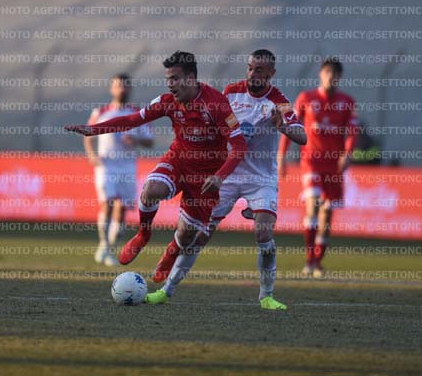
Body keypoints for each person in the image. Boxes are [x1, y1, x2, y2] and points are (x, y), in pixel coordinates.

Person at [66, 51, 247, 305]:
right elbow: (131, 120)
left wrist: (219, 177)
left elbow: (239, 146)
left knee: (186, 236)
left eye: (175, 79)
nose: (170, 84)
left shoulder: (216, 104)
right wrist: (94, 130)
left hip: (206, 178)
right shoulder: (167, 101)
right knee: (151, 189)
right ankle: (143, 234)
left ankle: (171, 251)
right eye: (168, 79)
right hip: (178, 161)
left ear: (191, 78)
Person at [152, 49, 307, 310]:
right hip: (227, 173)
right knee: (199, 236)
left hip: (260, 178)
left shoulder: (279, 102)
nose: (252, 74)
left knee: (264, 233)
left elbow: (302, 137)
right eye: (250, 68)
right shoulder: (231, 92)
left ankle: (266, 296)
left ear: (271, 73)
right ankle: (166, 291)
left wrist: (282, 126)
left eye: (259, 70)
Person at [276, 57, 358, 278]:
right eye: (328, 72)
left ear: (340, 77)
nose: (331, 77)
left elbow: (353, 132)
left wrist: (347, 153)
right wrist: (281, 157)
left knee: (327, 213)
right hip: (311, 161)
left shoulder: (347, 102)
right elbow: (291, 126)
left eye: (335, 74)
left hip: (334, 165)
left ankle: (318, 261)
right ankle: (309, 260)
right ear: (321, 74)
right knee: (313, 204)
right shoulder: (306, 98)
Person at [84, 73, 153, 266]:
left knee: (121, 208)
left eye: (124, 86)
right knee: (107, 203)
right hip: (106, 165)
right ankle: (105, 245)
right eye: (117, 86)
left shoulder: (138, 114)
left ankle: (110, 248)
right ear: (111, 89)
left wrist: (136, 139)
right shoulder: (101, 112)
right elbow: (88, 134)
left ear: (129, 89)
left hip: (127, 167)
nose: (121, 89)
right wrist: (92, 155)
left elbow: (150, 141)